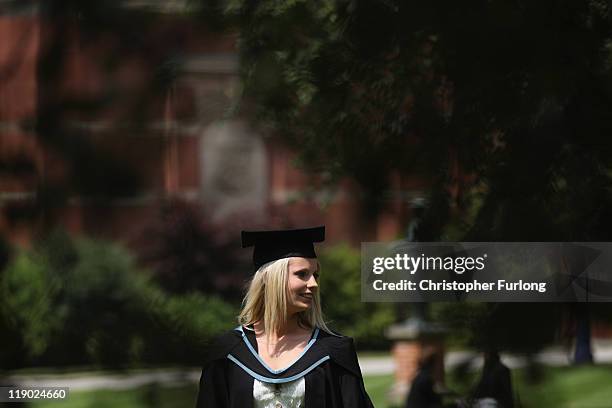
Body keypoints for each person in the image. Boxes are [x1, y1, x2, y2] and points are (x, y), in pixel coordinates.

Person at [196, 226, 374, 408]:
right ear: (273, 278)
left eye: (315, 275)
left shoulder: (332, 351)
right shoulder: (228, 351)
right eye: (302, 274)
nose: (313, 284)